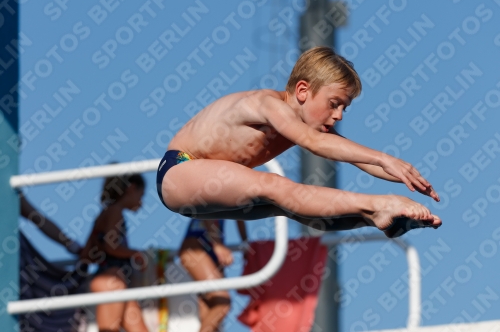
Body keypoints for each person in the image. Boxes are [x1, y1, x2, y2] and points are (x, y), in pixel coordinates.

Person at [156, 46, 442, 238]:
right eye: (334, 104)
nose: (339, 115)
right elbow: (314, 143)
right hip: (181, 168)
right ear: (303, 90)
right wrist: (384, 158)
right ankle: (380, 205)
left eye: (344, 108)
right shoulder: (268, 106)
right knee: (276, 187)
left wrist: (406, 175)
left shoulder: (305, 123)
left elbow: (357, 158)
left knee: (289, 206)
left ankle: (376, 219)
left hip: (203, 184)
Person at [80, 173, 148, 332]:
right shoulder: (115, 211)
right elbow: (112, 246)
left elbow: (86, 255)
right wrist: (135, 254)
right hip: (112, 279)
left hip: (109, 279)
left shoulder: (104, 214)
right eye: (141, 195)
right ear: (131, 189)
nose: (141, 202)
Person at [179, 219, 247, 332]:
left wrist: (246, 244)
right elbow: (206, 211)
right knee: (222, 302)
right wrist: (218, 244)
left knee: (210, 311)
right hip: (196, 247)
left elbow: (241, 215)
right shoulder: (219, 201)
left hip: (207, 250)